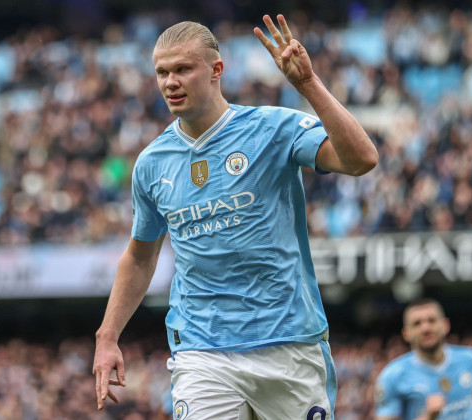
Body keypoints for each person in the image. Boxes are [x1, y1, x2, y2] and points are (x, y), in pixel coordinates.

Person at [93, 14, 378, 419]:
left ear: (216, 70)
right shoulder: (151, 163)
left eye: (182, 69)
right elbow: (140, 256)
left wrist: (307, 84)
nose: (170, 82)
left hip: (288, 342)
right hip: (202, 350)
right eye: (162, 72)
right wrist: (108, 337)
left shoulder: (272, 128)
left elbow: (362, 159)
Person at [375, 298, 472, 420]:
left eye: (431, 320)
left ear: (445, 325)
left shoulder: (469, 357)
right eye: (417, 324)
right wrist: (428, 416)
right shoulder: (393, 375)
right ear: (406, 333)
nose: (426, 328)